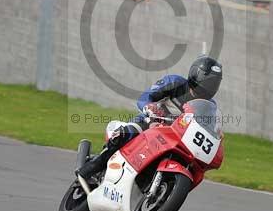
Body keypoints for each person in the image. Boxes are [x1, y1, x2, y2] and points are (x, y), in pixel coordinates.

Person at [76, 55, 223, 183]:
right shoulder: (176, 83)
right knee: (126, 134)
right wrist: (149, 107)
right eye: (208, 82)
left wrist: (217, 136)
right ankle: (92, 168)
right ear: (196, 75)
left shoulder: (209, 106)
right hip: (150, 123)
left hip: (176, 140)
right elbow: (146, 96)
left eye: (214, 83)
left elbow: (208, 131)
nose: (210, 87)